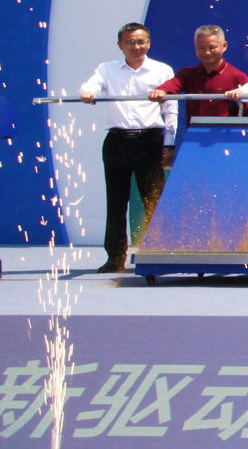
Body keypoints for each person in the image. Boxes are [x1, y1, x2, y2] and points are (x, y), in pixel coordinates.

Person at [76, 22, 177, 274]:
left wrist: (169, 143)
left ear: (149, 43)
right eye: (130, 42)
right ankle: (115, 257)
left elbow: (170, 110)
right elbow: (91, 85)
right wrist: (88, 92)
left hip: (150, 141)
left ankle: (158, 253)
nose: (136, 46)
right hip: (117, 142)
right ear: (120, 45)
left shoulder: (162, 70)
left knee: (153, 200)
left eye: (141, 41)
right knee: (116, 201)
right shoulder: (107, 69)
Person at [149, 24, 248, 137]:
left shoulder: (237, 76)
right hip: (195, 136)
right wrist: (161, 91)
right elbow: (174, 84)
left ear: (224, 46)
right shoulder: (188, 74)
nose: (207, 52)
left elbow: (247, 113)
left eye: (212, 47)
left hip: (227, 138)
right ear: (195, 47)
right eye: (201, 48)